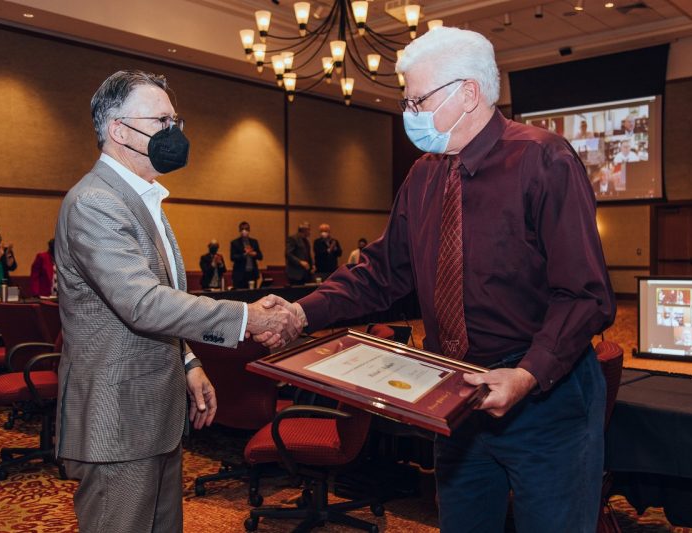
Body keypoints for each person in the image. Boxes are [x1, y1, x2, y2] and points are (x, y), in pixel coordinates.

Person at [275, 28, 615, 533]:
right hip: (455, 395)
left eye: (418, 100)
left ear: (468, 93)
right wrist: (302, 312)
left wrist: (525, 375)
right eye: (406, 101)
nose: (408, 113)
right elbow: (381, 274)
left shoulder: (544, 159)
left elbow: (584, 295)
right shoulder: (424, 175)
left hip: (545, 396)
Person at [54, 70, 300, 533]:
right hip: (118, 418)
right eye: (162, 120)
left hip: (155, 413)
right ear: (119, 130)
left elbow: (163, 301)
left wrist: (188, 363)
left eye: (176, 120)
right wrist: (247, 317)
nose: (175, 133)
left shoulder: (145, 200)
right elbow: (142, 303)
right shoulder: (94, 203)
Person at [230, 221, 263, 289]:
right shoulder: (235, 243)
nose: (244, 231)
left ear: (249, 230)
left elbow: (260, 256)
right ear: (239, 230)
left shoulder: (254, 242)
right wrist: (245, 254)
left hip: (252, 274)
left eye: (246, 229)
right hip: (240, 274)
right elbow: (232, 257)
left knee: (253, 295)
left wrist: (254, 254)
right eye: (242, 229)